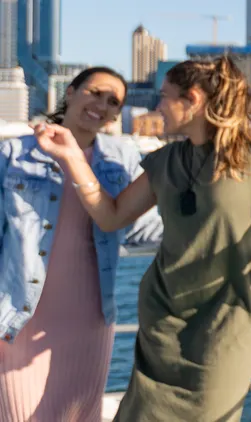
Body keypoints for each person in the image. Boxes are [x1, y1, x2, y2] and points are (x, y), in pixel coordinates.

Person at [34, 56, 251, 422]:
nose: (158, 107)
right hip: (162, 320)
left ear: (192, 100)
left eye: (165, 97)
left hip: (226, 322)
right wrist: (71, 157)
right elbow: (110, 216)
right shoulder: (165, 160)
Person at [0, 66, 162, 422]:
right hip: (17, 319)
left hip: (89, 320)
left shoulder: (121, 159)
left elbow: (143, 229)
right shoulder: (14, 154)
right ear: (70, 92)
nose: (101, 105)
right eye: (94, 92)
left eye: (113, 101)